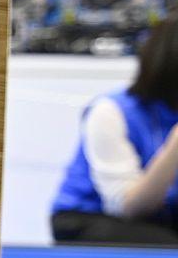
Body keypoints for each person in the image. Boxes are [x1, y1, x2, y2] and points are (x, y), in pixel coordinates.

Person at [52, 15, 178, 245]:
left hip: (163, 216)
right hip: (91, 218)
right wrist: (174, 148)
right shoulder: (111, 111)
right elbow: (129, 206)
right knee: (165, 244)